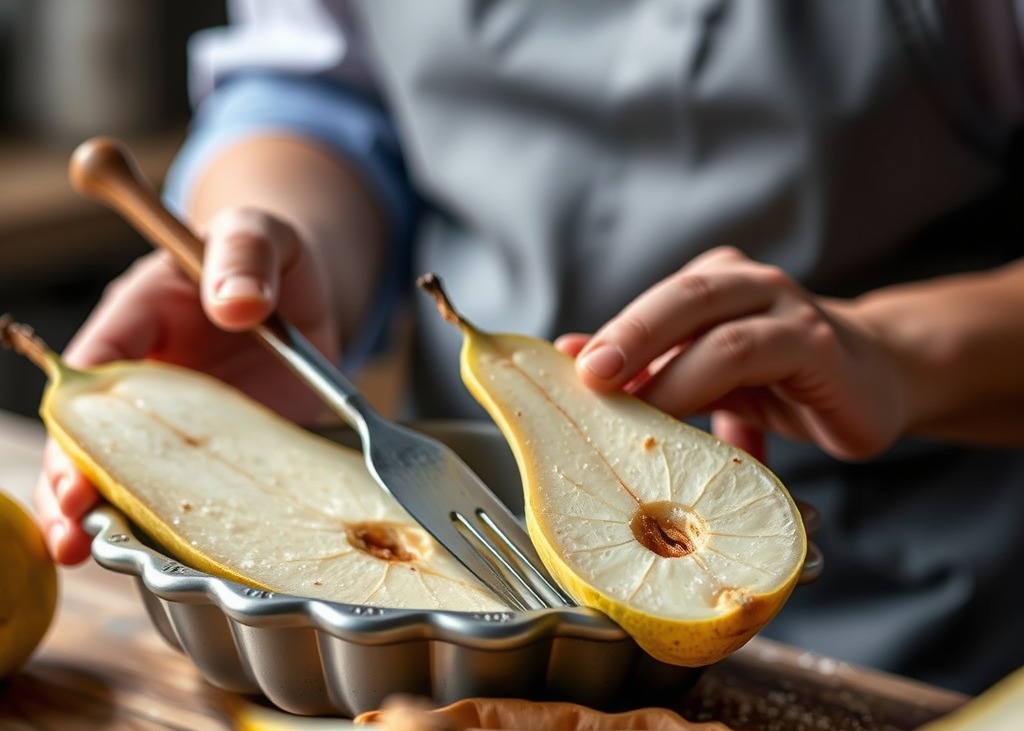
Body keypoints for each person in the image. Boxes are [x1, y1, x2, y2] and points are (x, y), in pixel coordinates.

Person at [36, 0, 1024, 695]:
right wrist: (284, 245)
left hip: (910, 632)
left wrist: (897, 353)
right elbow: (322, 97)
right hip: (465, 597)